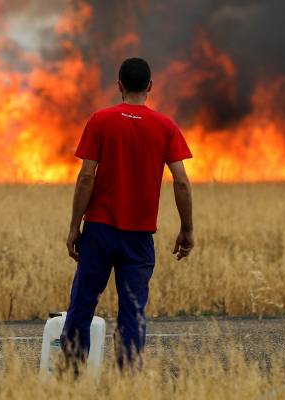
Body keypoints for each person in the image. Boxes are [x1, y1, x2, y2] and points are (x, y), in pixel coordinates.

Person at [61, 57, 195, 373]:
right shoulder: (166, 127)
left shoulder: (99, 120)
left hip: (99, 231)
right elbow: (182, 181)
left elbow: (86, 176)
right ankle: (128, 379)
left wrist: (74, 226)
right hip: (139, 238)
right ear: (150, 86)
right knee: (133, 310)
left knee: (82, 304)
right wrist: (187, 228)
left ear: (119, 85)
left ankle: (70, 376)